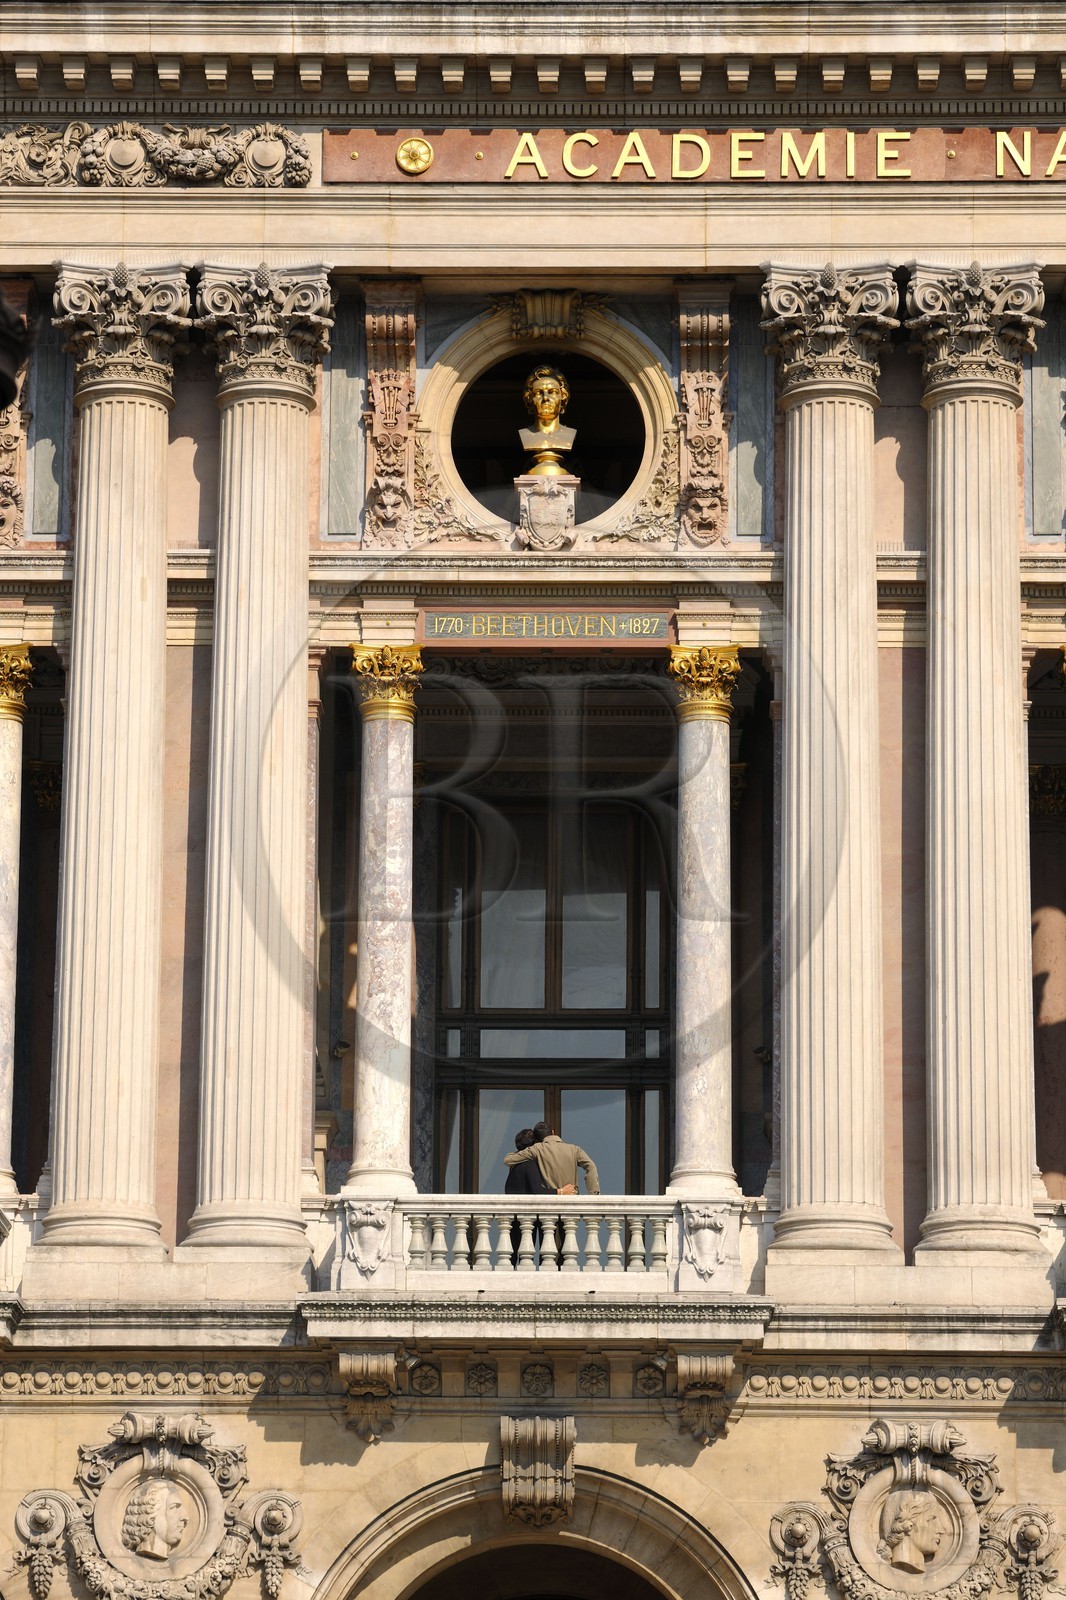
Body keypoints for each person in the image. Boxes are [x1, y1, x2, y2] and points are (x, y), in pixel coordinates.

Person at [504, 1121, 600, 1195]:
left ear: (538, 1140)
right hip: (571, 1198)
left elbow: (508, 1160)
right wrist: (593, 1194)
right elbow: (591, 1166)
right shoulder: (574, 1149)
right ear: (553, 1132)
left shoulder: (537, 1149)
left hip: (551, 1203)